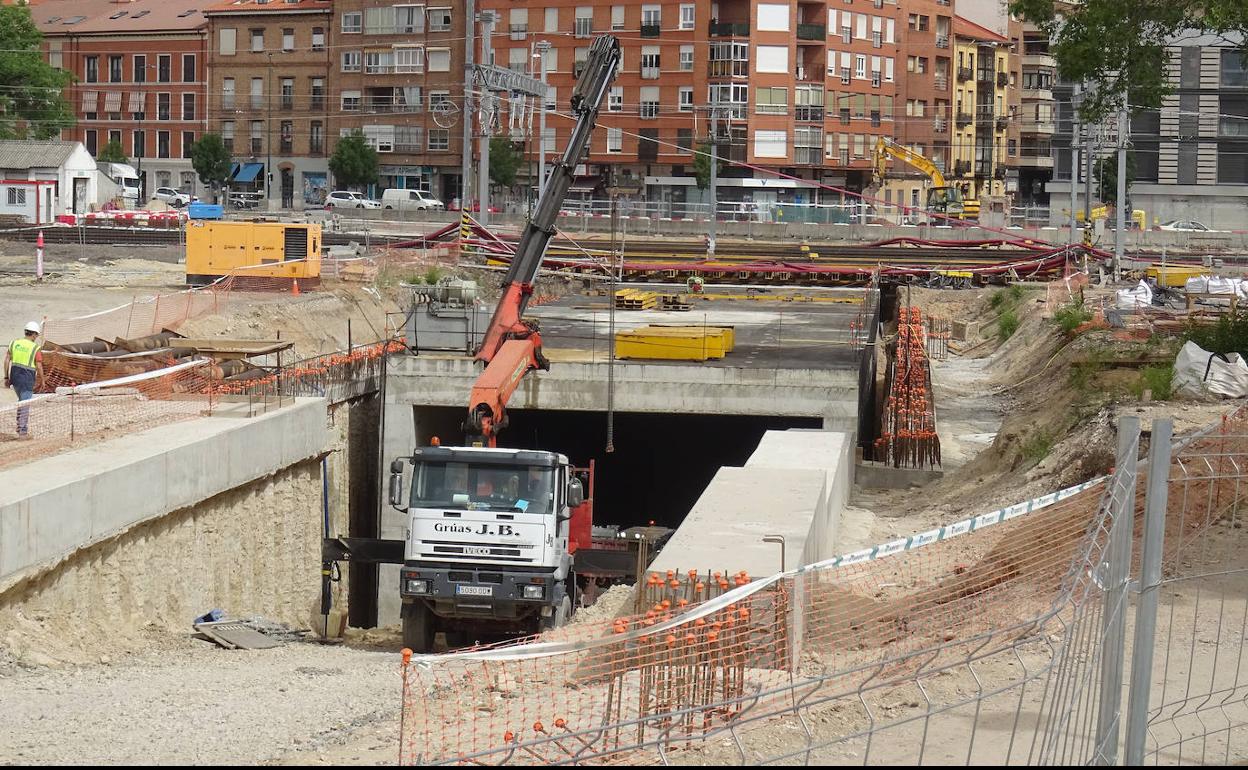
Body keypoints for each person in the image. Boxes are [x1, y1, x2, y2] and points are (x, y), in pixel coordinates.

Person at [4, 322, 44, 438]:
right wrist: (42, 380)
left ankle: (19, 427)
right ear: (34, 334)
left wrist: (6, 377)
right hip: (27, 378)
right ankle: (23, 432)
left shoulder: (14, 343)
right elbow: (39, 366)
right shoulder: (35, 348)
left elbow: (6, 360)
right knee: (25, 404)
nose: (36, 338)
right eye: (36, 335)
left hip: (15, 377)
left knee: (22, 401)